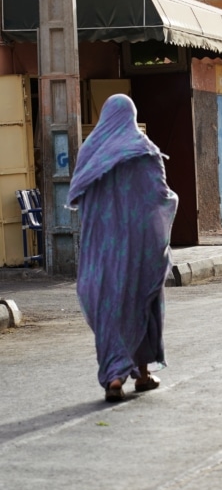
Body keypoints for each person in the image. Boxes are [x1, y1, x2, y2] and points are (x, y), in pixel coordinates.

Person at [66, 94, 178, 402]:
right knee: (142, 303)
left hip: (101, 253)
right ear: (132, 116)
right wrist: (173, 204)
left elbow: (79, 197)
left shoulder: (90, 151)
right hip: (138, 251)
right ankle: (141, 374)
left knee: (109, 310)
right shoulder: (143, 150)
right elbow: (160, 195)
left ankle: (114, 377)